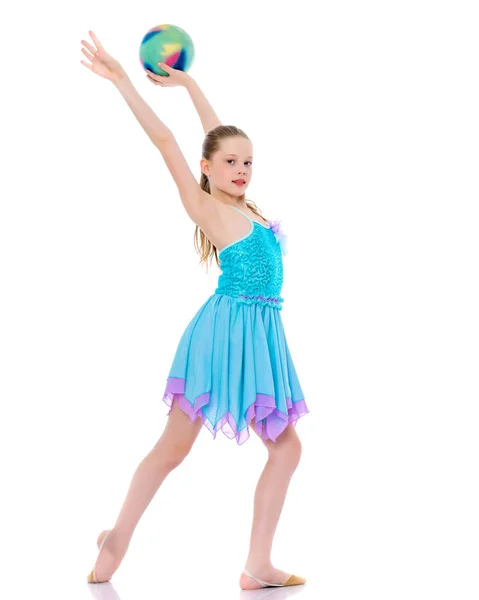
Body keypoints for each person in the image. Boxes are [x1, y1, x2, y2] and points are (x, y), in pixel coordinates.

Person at [80, 31, 309, 590]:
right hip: (223, 335)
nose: (241, 169)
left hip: (261, 336)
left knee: (287, 447)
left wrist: (187, 83)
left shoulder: (248, 210)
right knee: (173, 448)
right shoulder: (206, 206)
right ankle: (118, 537)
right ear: (206, 168)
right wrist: (123, 82)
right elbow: (166, 142)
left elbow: (217, 132)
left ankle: (257, 565)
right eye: (230, 162)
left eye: (248, 162)